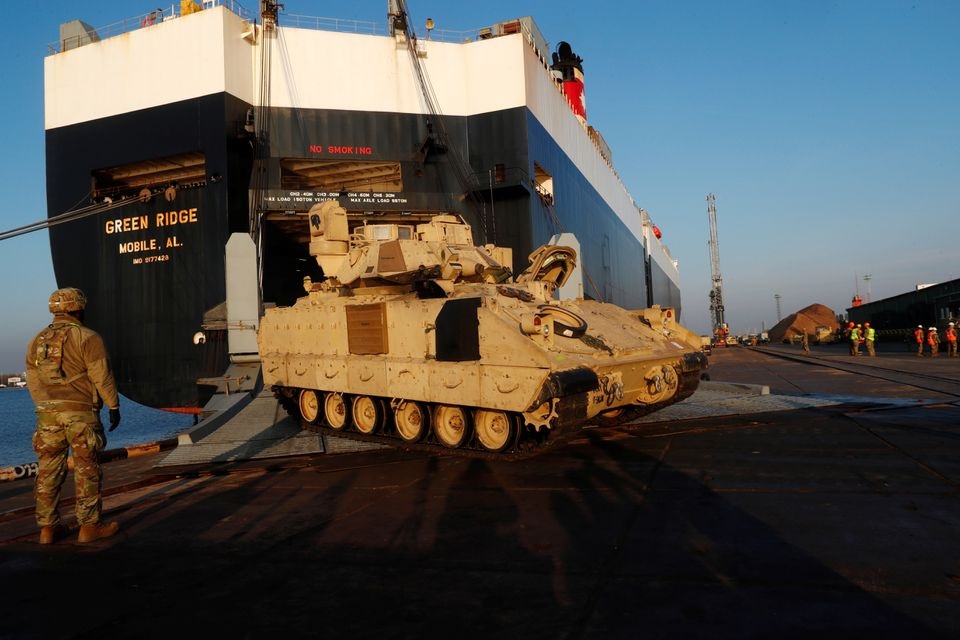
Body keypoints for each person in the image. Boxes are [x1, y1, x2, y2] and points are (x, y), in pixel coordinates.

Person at [25, 288, 121, 544]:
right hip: (80, 415)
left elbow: (32, 380)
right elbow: (101, 375)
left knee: (48, 469)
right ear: (78, 309)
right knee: (86, 468)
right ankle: (89, 527)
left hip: (47, 415)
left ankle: (47, 529)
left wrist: (45, 406)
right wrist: (113, 405)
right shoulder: (88, 337)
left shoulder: (36, 340)